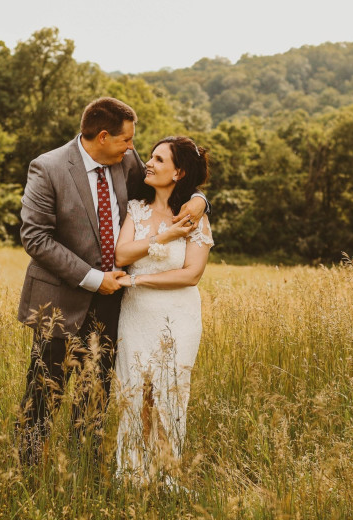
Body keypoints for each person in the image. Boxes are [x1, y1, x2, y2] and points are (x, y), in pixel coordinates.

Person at [16, 98, 209, 465]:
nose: (134, 149)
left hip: (113, 304)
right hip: (58, 300)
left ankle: (83, 473)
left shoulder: (125, 162)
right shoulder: (49, 167)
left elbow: (173, 184)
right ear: (103, 136)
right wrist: (93, 279)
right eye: (127, 141)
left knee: (95, 398)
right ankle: (27, 474)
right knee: (42, 396)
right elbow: (35, 238)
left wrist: (200, 200)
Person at [113, 136, 214, 483]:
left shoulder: (194, 215)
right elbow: (122, 256)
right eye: (151, 157)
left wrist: (139, 282)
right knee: (138, 393)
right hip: (136, 314)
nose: (149, 164)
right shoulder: (137, 209)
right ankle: (134, 474)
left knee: (168, 394)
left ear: (178, 172)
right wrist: (166, 236)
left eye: (158, 159)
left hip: (177, 315)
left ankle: (167, 475)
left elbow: (192, 274)